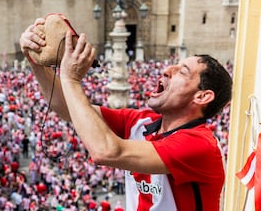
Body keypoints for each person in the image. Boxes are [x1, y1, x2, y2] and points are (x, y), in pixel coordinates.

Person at [19, 18, 232, 210]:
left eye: (182, 71)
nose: (167, 70)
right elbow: (68, 109)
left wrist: (71, 79)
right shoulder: (141, 122)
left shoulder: (200, 145)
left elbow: (106, 152)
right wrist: (36, 61)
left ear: (202, 97)